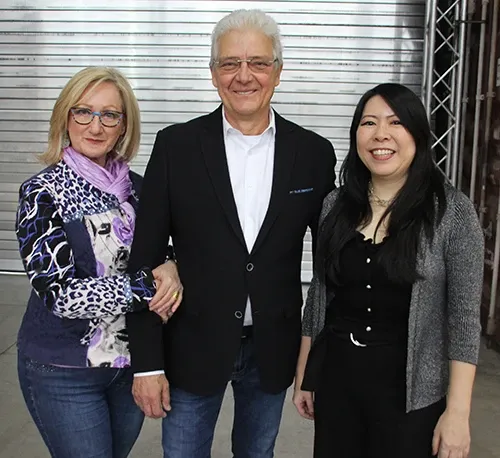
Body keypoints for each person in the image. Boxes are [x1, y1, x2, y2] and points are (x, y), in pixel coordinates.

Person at [125, 9, 336, 458]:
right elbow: (144, 258)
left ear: (278, 71)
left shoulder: (313, 154)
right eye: (229, 63)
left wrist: (317, 360)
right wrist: (147, 364)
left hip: (272, 349)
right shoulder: (176, 147)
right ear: (213, 73)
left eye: (257, 62)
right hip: (191, 345)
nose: (244, 76)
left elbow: (331, 265)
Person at [293, 83, 484, 458]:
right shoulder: (336, 205)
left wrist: (458, 413)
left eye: (396, 122)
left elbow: (464, 320)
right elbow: (319, 293)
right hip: (337, 386)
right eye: (369, 123)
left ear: (418, 135)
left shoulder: (452, 213)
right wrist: (305, 373)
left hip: (410, 396)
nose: (381, 134)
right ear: (356, 136)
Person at [15, 66, 182, 458]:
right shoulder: (42, 193)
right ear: (65, 117)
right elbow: (61, 294)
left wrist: (172, 265)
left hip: (127, 365)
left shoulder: (138, 189)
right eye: (83, 112)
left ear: (123, 126)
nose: (95, 126)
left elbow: (163, 251)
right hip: (64, 370)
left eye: (109, 115)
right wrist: (150, 288)